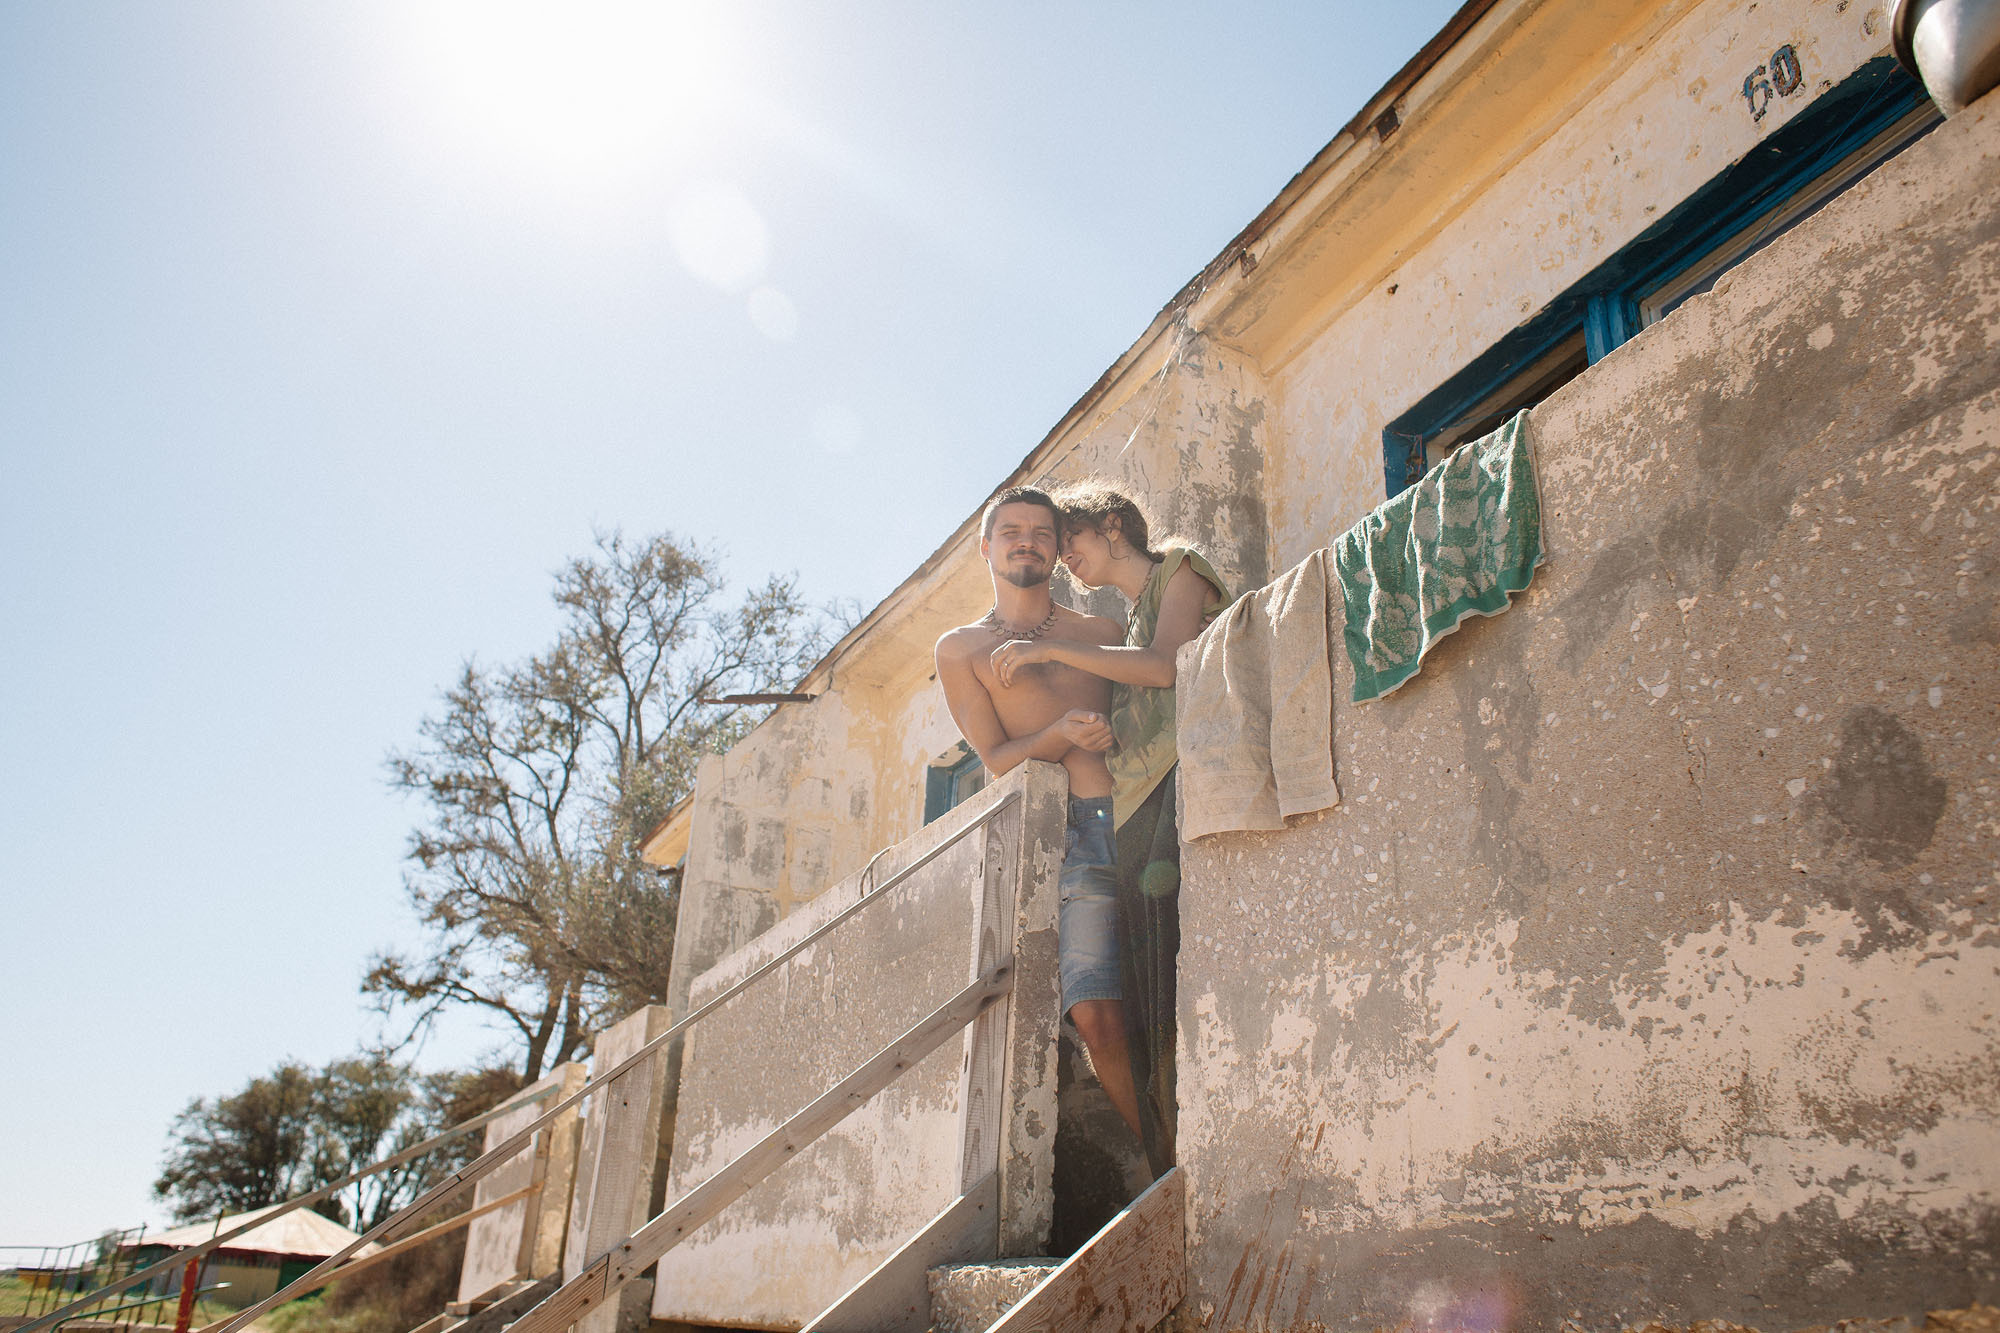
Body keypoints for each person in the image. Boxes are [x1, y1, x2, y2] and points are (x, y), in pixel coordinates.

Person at [987, 482, 1227, 1172]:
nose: (1066, 560)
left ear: (1113, 525)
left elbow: (1163, 667)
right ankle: (1170, 1152)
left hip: (1175, 794)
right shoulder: (1127, 616)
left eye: (1073, 542)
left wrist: (1049, 656)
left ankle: (1184, 1145)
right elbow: (1139, 715)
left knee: (1167, 980)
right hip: (1130, 809)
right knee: (1137, 993)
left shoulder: (1178, 564)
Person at [934, 485, 1146, 1139]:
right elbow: (997, 756)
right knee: (1096, 1015)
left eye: (1041, 532)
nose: (1026, 540)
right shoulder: (961, 648)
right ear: (986, 547)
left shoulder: (1103, 631)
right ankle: (1163, 1158)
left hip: (1145, 815)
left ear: (1057, 549)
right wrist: (1060, 737)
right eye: (1011, 530)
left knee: (1171, 991)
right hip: (1074, 835)